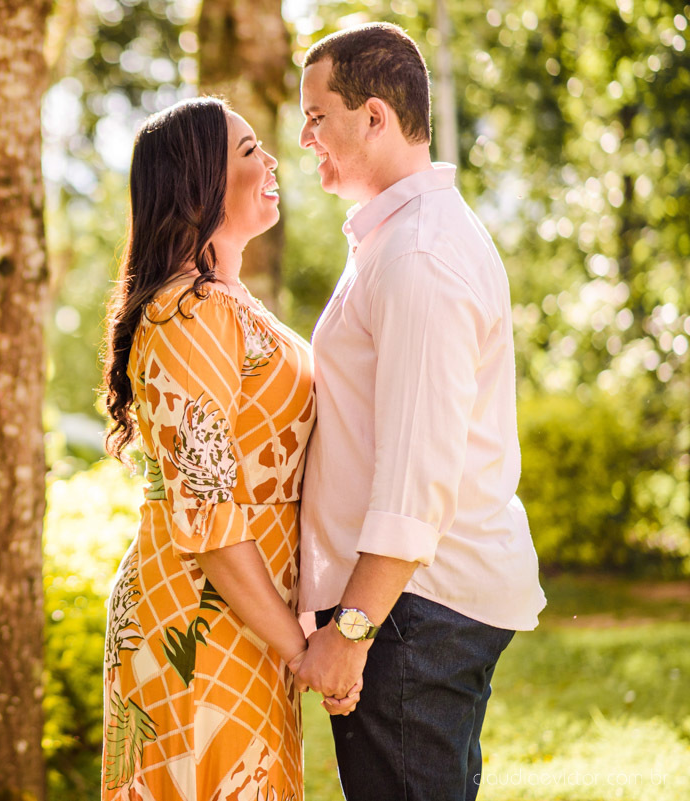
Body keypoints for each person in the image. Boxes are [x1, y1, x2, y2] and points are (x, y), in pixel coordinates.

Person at [292, 22, 548, 801]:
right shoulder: (396, 240)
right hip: (412, 609)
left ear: (374, 116)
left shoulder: (418, 255)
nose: (304, 139)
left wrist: (355, 629)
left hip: (413, 613)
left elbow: (416, 472)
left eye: (316, 116)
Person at [98, 96, 356, 801]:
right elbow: (205, 515)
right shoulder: (187, 313)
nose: (271, 160)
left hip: (249, 610)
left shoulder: (229, 301)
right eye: (248, 152)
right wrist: (304, 650)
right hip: (201, 614)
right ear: (195, 182)